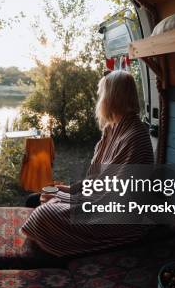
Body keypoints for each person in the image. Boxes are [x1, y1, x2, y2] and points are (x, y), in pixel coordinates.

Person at [21, 70, 154, 256]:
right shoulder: (112, 129)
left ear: (113, 96)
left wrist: (74, 199)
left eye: (102, 93)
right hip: (98, 199)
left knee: (45, 214)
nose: (99, 98)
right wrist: (70, 190)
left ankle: (53, 251)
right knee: (38, 198)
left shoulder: (135, 135)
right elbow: (97, 178)